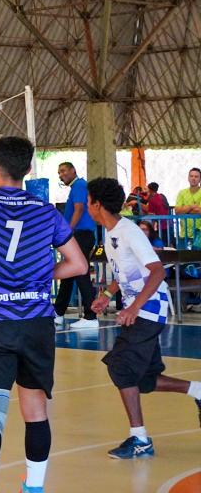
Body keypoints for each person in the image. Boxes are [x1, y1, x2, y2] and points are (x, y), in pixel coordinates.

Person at [0, 136, 88, 493]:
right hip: (35, 322)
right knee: (36, 411)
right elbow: (78, 264)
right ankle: (34, 487)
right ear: (29, 170)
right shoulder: (45, 210)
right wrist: (41, 278)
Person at [84, 178, 201, 459]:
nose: (86, 205)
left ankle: (140, 440)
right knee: (146, 379)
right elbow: (127, 274)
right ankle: (198, 390)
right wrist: (108, 294)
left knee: (121, 368)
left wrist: (134, 307)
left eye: (88, 200)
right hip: (141, 307)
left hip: (150, 308)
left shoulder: (129, 232)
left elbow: (157, 271)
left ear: (97, 204)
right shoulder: (110, 232)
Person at [53, 162, 99, 328]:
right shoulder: (77, 187)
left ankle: (91, 315)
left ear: (73, 170)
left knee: (81, 273)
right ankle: (58, 311)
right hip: (79, 234)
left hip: (80, 234)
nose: (61, 174)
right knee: (69, 274)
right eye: (59, 172)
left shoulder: (79, 185)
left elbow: (79, 209)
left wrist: (68, 231)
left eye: (64, 170)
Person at [174, 167, 201, 248]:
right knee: (183, 259)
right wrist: (191, 206)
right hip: (183, 233)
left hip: (199, 234)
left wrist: (185, 209)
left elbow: (200, 211)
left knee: (197, 259)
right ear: (188, 178)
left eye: (196, 177)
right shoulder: (182, 193)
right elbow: (177, 211)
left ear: (200, 179)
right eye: (191, 176)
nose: (193, 178)